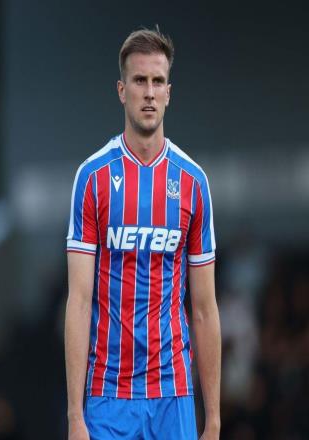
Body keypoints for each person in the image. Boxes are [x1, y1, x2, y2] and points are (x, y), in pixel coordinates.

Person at [64, 26, 221, 440]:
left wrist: (214, 420)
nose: (149, 93)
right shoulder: (93, 178)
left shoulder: (192, 182)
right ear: (121, 90)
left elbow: (204, 309)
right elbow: (78, 302)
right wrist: (75, 416)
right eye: (139, 81)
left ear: (169, 92)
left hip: (173, 394)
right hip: (107, 395)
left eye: (157, 81)